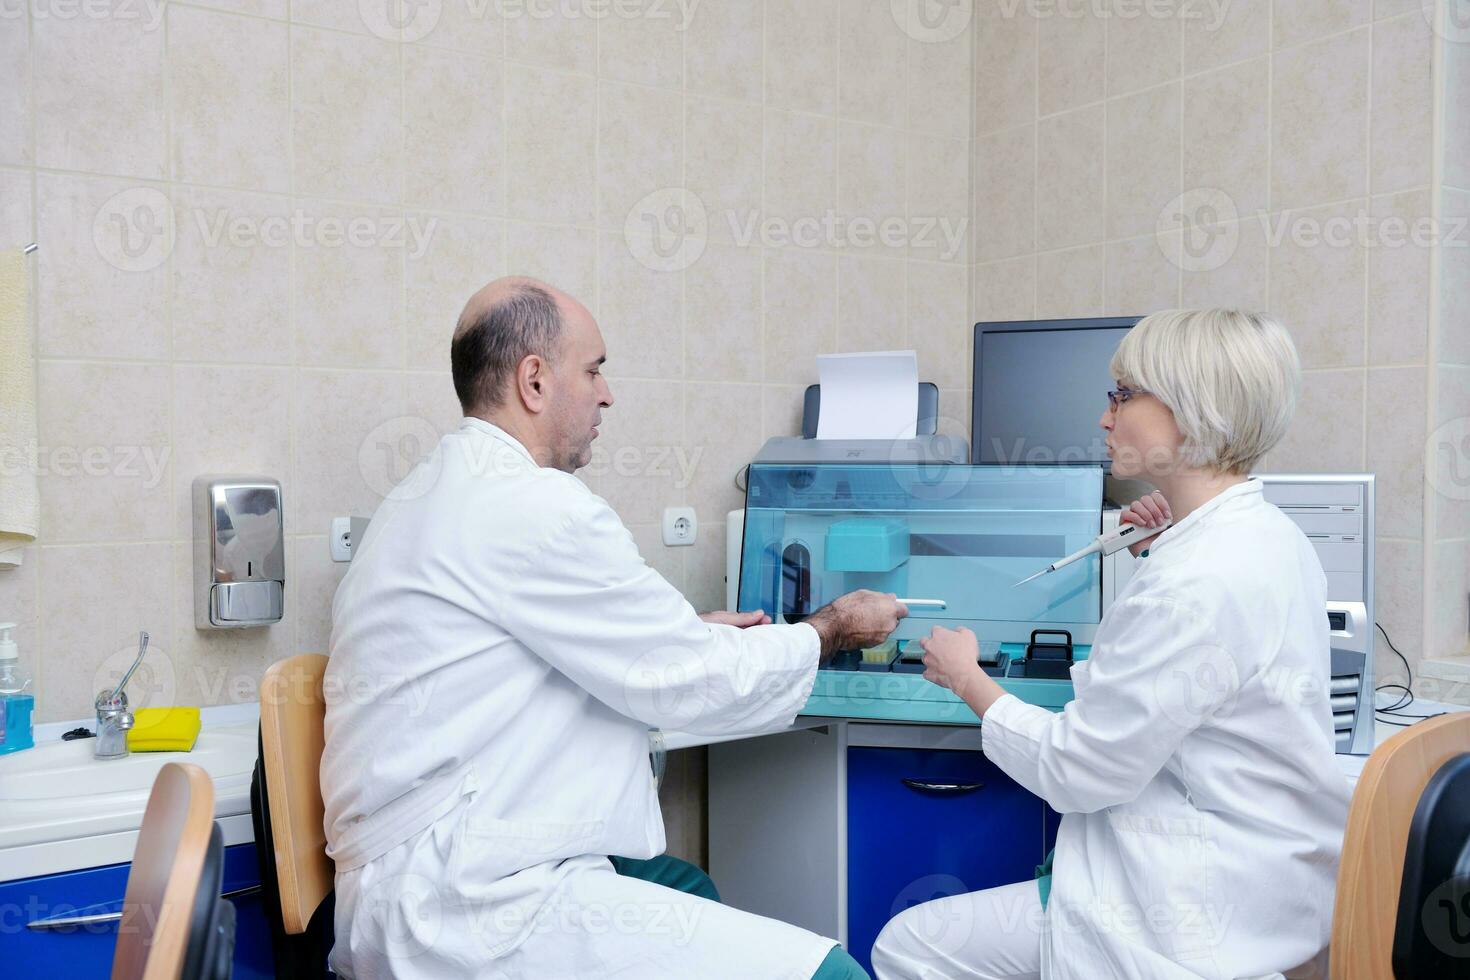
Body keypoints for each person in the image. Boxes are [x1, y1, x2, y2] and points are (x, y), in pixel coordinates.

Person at [320, 276, 904, 978]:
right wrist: (832, 626)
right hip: (474, 905)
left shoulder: (430, 491)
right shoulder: (532, 507)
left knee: (686, 886)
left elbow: (549, 649)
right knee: (833, 974)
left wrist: (680, 635)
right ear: (534, 380)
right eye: (593, 369)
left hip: (414, 879)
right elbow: (688, 679)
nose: (607, 394)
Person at [872, 309, 1353, 979]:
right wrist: (1167, 535)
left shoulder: (1195, 579)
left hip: (1186, 914)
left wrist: (967, 679)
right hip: (1270, 891)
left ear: (1192, 409)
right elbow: (1178, 672)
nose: (1104, 417)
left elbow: (1076, 773)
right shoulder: (1268, 536)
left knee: (909, 944)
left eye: (1123, 395)